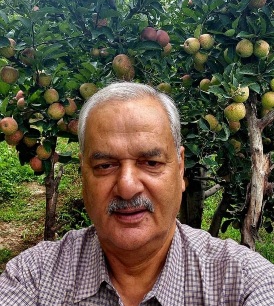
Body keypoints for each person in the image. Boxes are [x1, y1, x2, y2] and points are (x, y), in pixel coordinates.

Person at [0, 81, 274, 306]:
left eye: (151, 163)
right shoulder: (32, 278)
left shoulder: (245, 284)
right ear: (84, 175)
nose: (128, 186)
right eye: (105, 165)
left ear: (180, 170)